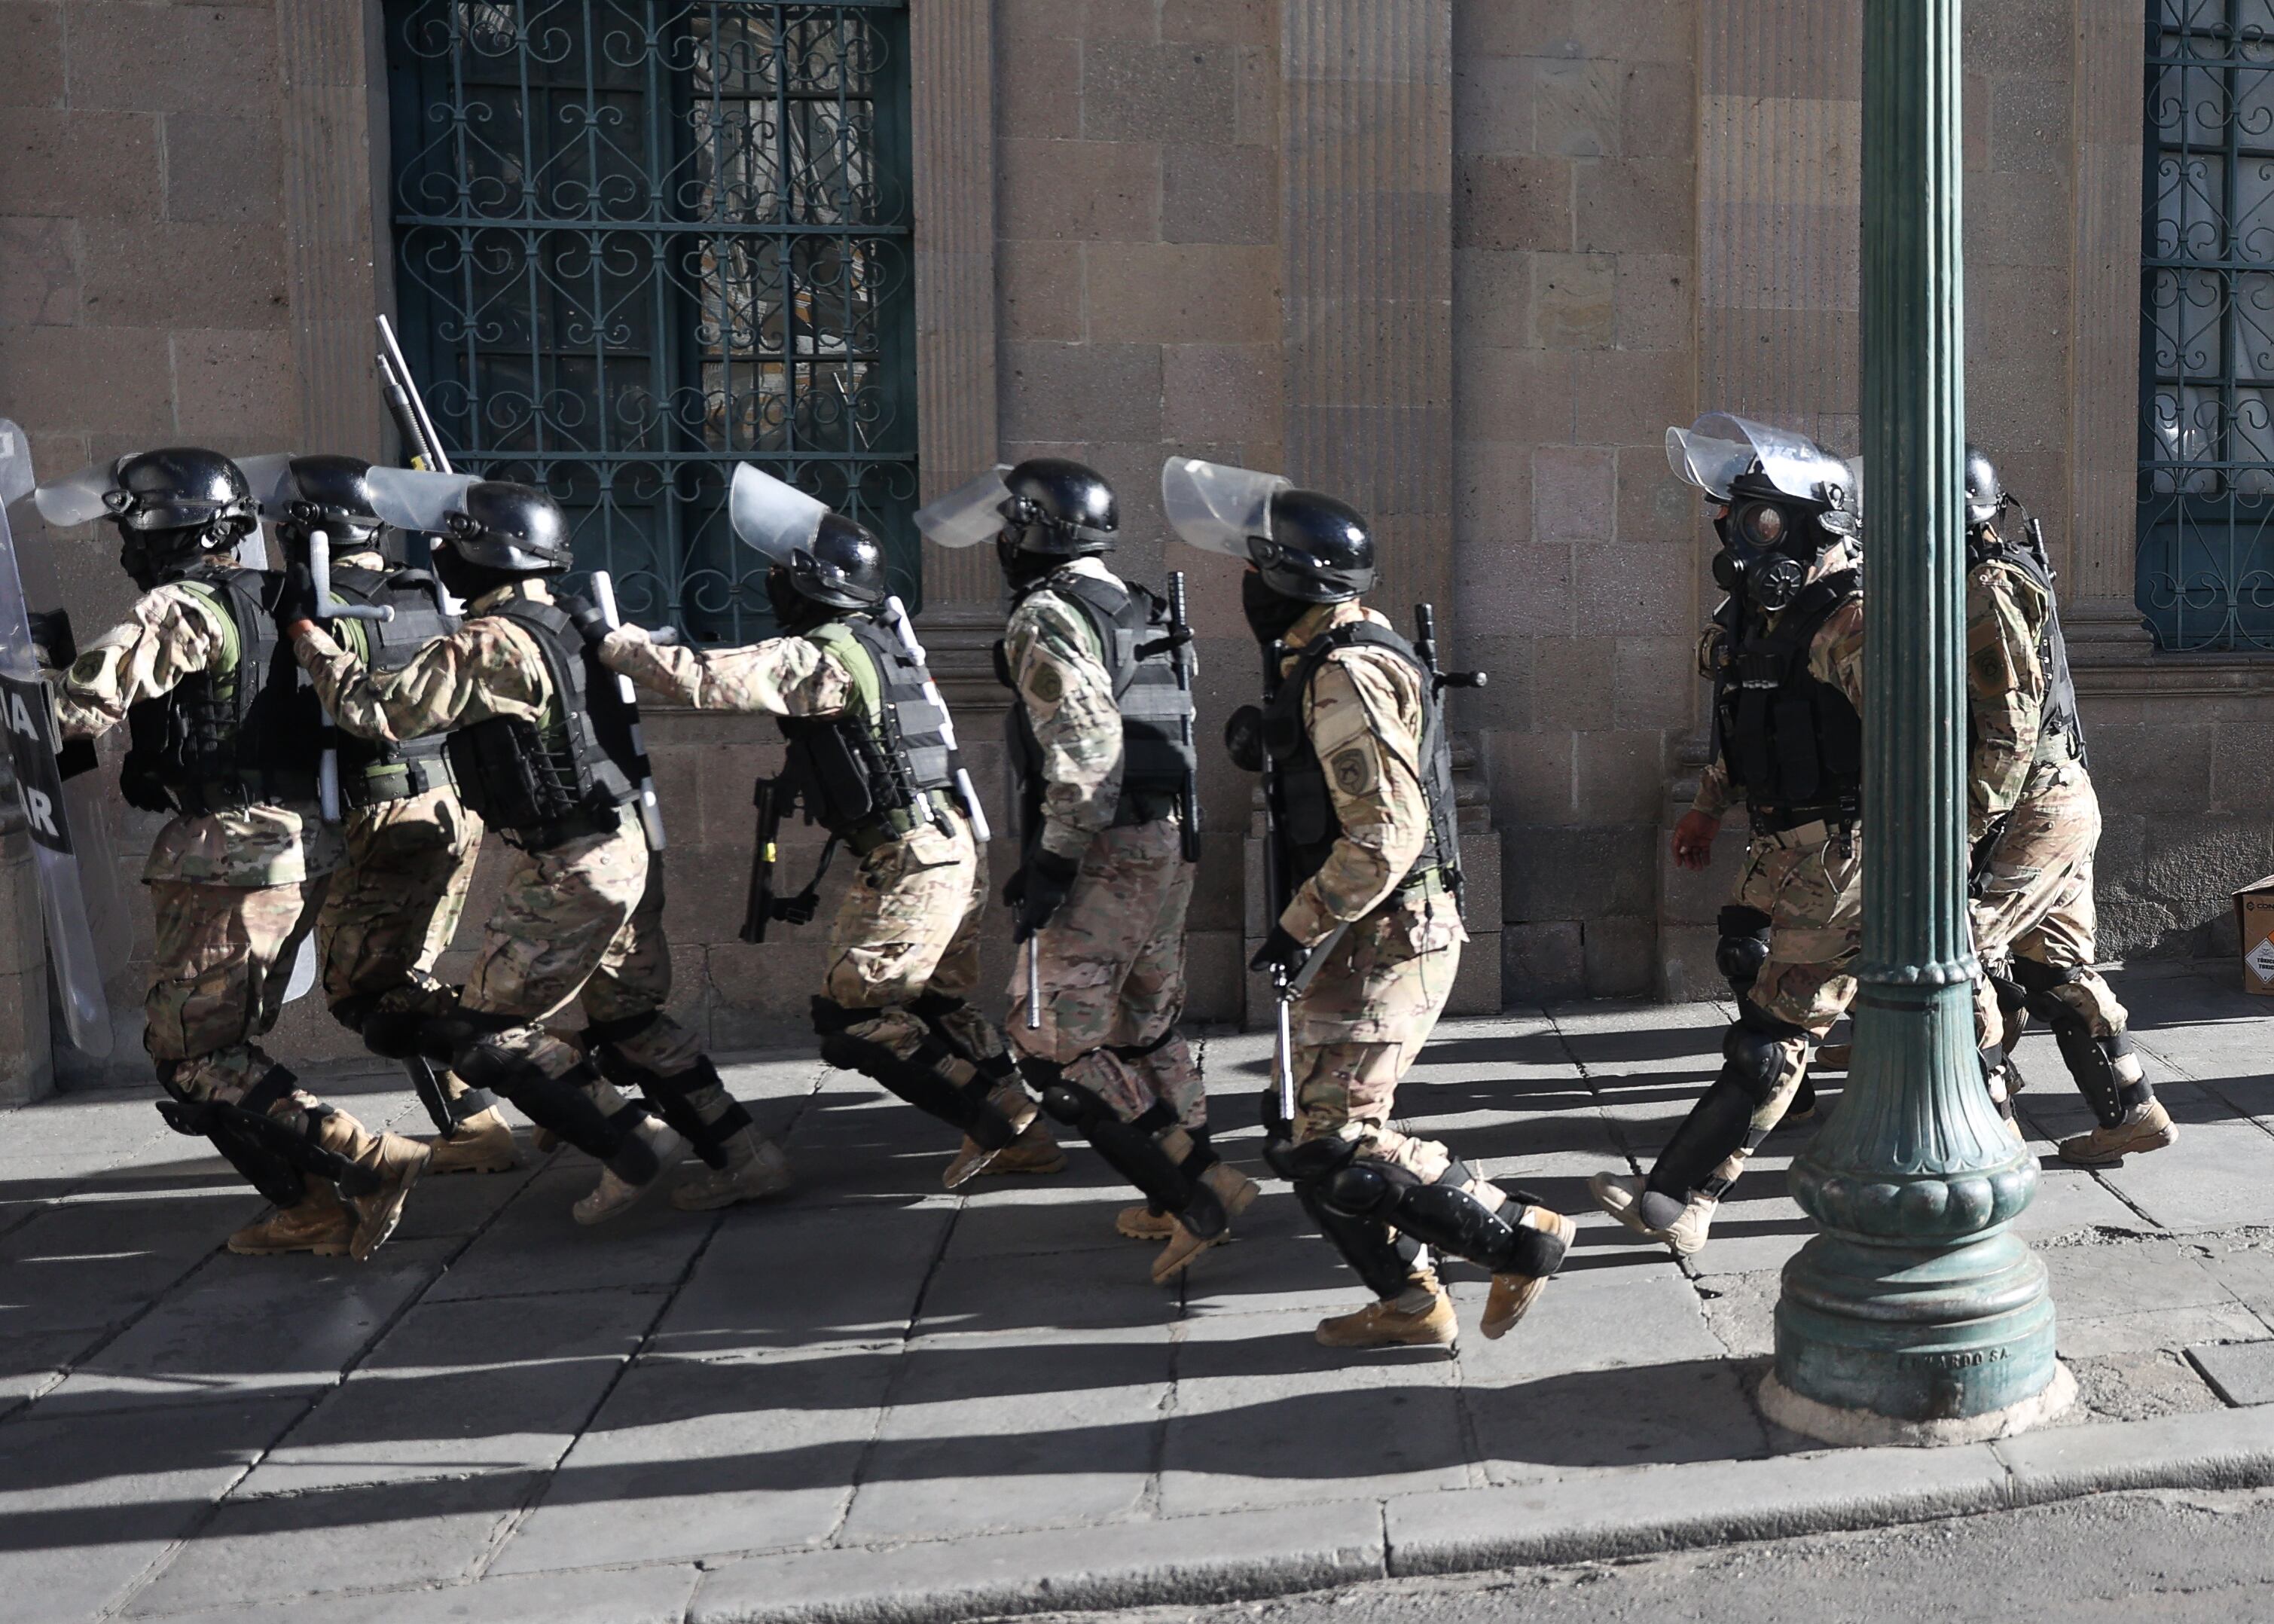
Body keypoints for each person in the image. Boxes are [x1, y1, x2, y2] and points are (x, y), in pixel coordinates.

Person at [279, 474, 789, 1220]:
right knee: (627, 1020)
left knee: (483, 1031)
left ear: (489, 554)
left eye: (455, 542)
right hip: (625, 845)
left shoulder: (490, 639)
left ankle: (628, 1142)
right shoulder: (563, 618)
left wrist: (307, 636)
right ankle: (746, 1153)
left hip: (573, 863)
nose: (443, 553)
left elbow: (379, 711)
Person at [1165, 456, 1572, 1348]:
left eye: (1251, 569)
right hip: (1363, 928)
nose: (1242, 586)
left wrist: (1293, 927)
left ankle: (1516, 1234)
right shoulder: (1334, 651)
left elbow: (1385, 834)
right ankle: (1408, 1300)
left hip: (1384, 930)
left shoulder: (1341, 669)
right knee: (1303, 1136)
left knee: (1333, 1141)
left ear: (1283, 579)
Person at [597, 466, 1060, 1189]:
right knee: (936, 1004)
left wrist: (615, 643)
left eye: (784, 573)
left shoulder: (818, 657)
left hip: (911, 859)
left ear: (810, 583)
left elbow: (703, 678)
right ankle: (1015, 1119)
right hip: (947, 847)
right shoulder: (880, 643)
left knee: (856, 1019)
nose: (774, 584)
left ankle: (995, 1122)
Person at [47, 447, 429, 1259]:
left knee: (192, 1055)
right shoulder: (274, 597)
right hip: (297, 844)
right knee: (205, 1049)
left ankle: (363, 1154)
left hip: (228, 857)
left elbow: (81, 709)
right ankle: (309, 1208)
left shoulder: (177, 609)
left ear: (155, 528)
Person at [918, 457, 1237, 1284]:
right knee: (1146, 1022)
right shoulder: (1136, 601)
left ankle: (1191, 1198)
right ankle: (1201, 1177)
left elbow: (1089, 750)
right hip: (1163, 837)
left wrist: (1053, 863)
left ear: (1029, 532)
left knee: (1052, 1045)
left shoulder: (1049, 614)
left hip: (1102, 847)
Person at [1592, 414, 1865, 1259]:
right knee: (1743, 950)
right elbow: (1739, 724)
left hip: (1845, 848)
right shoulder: (1753, 613)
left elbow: (1922, 743)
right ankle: (1803, 1093)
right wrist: (1710, 805)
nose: (1731, 531)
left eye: (1754, 516)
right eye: (1731, 514)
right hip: (1779, 839)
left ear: (1809, 517)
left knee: (1770, 1033)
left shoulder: (1851, 619)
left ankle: (1678, 1195)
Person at [279, 455, 516, 1174]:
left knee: (372, 993)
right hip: (448, 804)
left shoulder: (317, 611)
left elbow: (326, 716)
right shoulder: (418, 590)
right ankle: (480, 1118)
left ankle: (553, 1081)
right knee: (397, 982)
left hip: (381, 813)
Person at [1962, 447, 2172, 1165]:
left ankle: (1992, 1142)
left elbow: (2010, 724)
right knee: (2052, 965)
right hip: (2054, 798)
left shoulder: (1984, 585)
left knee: (1955, 954)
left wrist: (1968, 824)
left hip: (2027, 804)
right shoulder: (2004, 569)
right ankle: (2133, 1112)